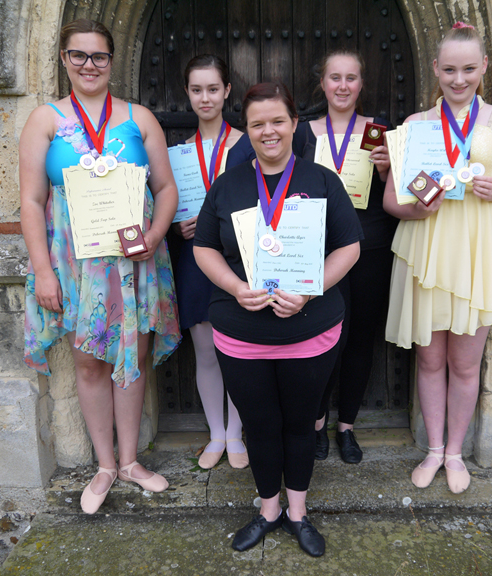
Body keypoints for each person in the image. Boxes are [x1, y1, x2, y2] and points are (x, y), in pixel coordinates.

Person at [193, 82, 361, 556]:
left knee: (301, 423)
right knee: (260, 425)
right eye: (257, 124)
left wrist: (311, 289)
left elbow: (349, 245)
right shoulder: (228, 185)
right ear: (247, 131)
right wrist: (234, 287)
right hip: (242, 332)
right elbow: (204, 246)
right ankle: (269, 510)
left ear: (293, 125)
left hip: (309, 330)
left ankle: (298, 513)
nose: (269, 131)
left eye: (278, 121)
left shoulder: (322, 179)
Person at [20, 19, 181, 514]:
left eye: (99, 56)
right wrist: (43, 271)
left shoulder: (139, 118)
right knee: (89, 360)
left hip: (136, 259)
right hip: (74, 263)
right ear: (64, 60)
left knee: (131, 356)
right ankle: (105, 464)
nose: (89, 65)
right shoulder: (45, 120)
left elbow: (166, 189)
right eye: (79, 56)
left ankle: (132, 461)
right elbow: (30, 200)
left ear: (112, 61)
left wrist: (154, 238)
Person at [383, 22, 492, 493]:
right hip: (428, 246)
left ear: (484, 67)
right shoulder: (416, 126)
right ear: (435, 68)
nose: (458, 79)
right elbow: (392, 201)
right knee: (430, 362)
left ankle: (456, 453)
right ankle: (433, 449)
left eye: (468, 69)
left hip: (477, 251)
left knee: (466, 364)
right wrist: (417, 206)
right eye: (449, 69)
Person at [293, 50, 397, 464]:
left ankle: (347, 426)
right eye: (334, 77)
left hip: (369, 247)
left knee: (358, 340)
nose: (342, 85)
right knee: (323, 340)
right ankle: (317, 421)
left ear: (361, 84)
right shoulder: (303, 133)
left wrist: (389, 170)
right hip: (319, 251)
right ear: (323, 82)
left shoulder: (378, 132)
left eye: (351, 78)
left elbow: (395, 193)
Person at [172, 55, 255, 470]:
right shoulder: (177, 154)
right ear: (187, 94)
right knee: (204, 350)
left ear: (226, 92)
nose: (205, 97)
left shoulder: (247, 143)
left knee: (236, 350)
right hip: (194, 259)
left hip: (238, 260)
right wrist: (177, 227)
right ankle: (216, 434)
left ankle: (237, 434)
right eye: (196, 89)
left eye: (212, 89)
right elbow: (165, 207)